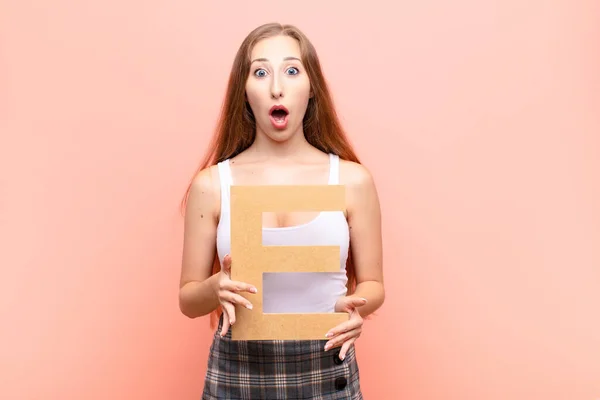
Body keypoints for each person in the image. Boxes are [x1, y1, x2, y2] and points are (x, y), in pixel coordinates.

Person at [178, 22, 385, 400]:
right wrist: (214, 287)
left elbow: (373, 284)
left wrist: (356, 307)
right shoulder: (212, 185)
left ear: (312, 89)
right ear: (244, 91)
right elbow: (188, 300)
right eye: (261, 72)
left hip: (326, 364)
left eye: (292, 70)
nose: (277, 86)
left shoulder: (353, 181)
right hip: (237, 372)